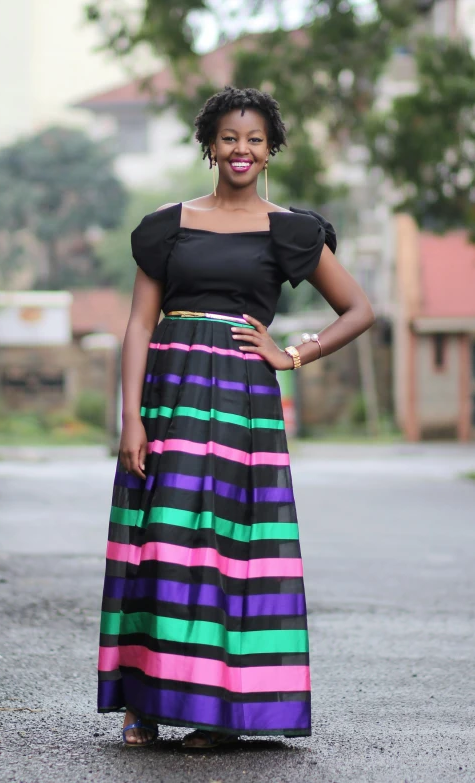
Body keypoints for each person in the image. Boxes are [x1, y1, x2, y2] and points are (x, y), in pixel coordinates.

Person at [97, 85, 375, 749]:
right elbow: (139, 324)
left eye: (254, 139)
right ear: (210, 146)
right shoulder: (168, 224)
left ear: (270, 148)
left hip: (245, 407)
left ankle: (221, 711)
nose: (241, 150)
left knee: (228, 552)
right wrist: (131, 417)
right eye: (229, 138)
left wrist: (294, 354)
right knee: (161, 543)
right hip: (170, 398)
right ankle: (145, 699)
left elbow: (360, 310)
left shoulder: (291, 231)